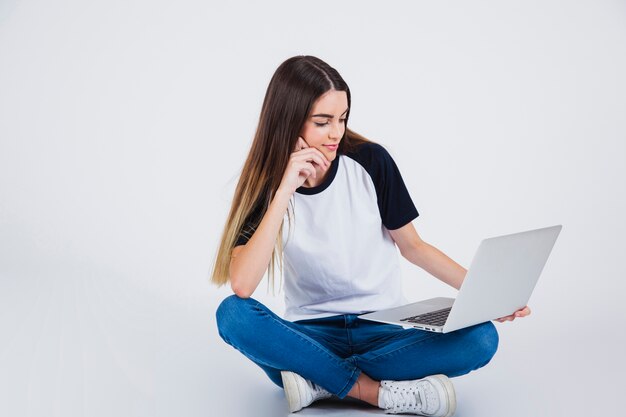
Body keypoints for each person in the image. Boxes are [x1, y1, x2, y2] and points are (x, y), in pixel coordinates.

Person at [210, 55, 530, 416]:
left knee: (481, 338)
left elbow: (414, 247)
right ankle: (371, 391)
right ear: (288, 119)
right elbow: (242, 286)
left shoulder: (371, 161)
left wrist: (486, 295)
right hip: (310, 337)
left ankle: (320, 380)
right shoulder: (267, 187)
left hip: (383, 327)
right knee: (233, 315)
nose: (336, 133)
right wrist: (284, 190)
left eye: (342, 119)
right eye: (322, 121)